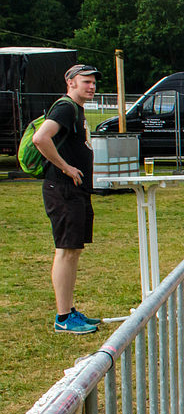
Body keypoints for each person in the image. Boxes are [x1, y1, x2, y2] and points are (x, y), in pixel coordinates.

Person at [33, 64, 102, 334]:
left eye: (93, 82)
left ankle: (69, 310)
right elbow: (41, 138)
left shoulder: (76, 109)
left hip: (75, 190)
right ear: (71, 82)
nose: (91, 86)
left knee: (73, 250)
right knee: (65, 250)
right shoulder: (65, 107)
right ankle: (63, 318)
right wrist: (66, 167)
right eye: (86, 81)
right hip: (62, 189)